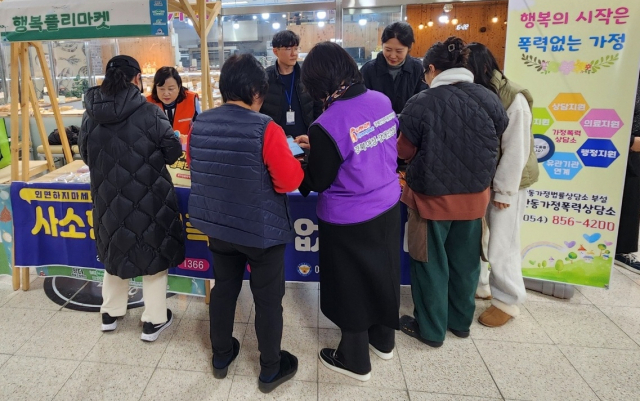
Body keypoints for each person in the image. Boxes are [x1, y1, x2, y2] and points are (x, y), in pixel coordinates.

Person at [188, 54, 303, 393]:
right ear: (255, 90)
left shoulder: (200, 123)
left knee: (224, 289)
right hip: (260, 230)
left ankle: (221, 356)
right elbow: (287, 181)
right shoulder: (266, 127)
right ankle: (270, 369)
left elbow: (196, 165)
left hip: (219, 226)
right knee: (268, 299)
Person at [297, 42, 401, 382]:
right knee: (383, 273)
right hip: (387, 204)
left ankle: (354, 359)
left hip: (348, 217)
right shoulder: (382, 101)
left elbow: (317, 180)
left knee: (349, 285)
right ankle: (383, 341)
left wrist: (302, 162)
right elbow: (368, 142)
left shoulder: (325, 124)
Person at [397, 37, 508, 347]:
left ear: (431, 69)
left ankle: (431, 330)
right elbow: (497, 133)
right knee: (466, 264)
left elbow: (404, 151)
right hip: (475, 200)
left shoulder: (422, 102)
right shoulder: (488, 97)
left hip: (431, 201)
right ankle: (460, 323)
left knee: (430, 263)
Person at [79, 55, 185, 342]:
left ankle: (110, 314)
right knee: (154, 255)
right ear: (137, 79)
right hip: (150, 197)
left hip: (107, 199)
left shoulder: (90, 114)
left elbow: (86, 155)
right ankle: (153, 320)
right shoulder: (150, 113)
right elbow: (173, 152)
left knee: (115, 251)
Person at [466, 42, 539, 327]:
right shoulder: (481, 91)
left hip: (510, 181)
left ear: (483, 68)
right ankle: (482, 285)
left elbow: (516, 150)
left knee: (503, 241)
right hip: (484, 179)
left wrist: (506, 191)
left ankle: (507, 301)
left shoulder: (513, 97)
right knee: (480, 236)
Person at [260, 30, 323, 142]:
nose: (294, 53)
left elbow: (318, 107)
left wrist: (315, 135)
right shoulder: (264, 78)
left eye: (296, 48)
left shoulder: (307, 75)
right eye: (288, 49)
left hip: (305, 140)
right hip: (276, 142)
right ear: (275, 51)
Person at [360, 22, 428, 115]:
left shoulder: (418, 68)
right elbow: (362, 103)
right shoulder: (368, 70)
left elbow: (422, 102)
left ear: (409, 48)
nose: (392, 56)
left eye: (399, 51)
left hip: (408, 125)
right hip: (377, 125)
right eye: (387, 49)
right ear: (382, 45)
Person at [615, 74, 640, 273]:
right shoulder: (629, 72)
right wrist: (631, 141)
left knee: (632, 194)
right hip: (625, 144)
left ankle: (622, 249)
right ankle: (620, 250)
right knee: (628, 193)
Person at [147, 66, 200, 137]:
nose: (166, 93)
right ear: (155, 88)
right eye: (161, 89)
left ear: (179, 87)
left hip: (184, 146)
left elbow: (199, 128)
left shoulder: (191, 100)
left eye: (171, 89)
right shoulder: (147, 103)